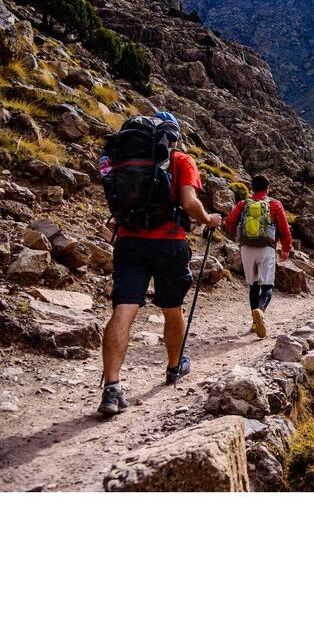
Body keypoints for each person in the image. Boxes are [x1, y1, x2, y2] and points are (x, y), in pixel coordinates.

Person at [98, 111, 222, 416]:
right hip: (169, 243)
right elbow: (190, 203)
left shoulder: (121, 157)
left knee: (124, 309)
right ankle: (174, 366)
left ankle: (112, 388)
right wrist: (209, 219)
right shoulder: (180, 160)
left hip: (129, 241)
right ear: (173, 136)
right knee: (171, 308)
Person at [225, 175, 292, 338]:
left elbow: (230, 221)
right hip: (266, 248)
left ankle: (255, 324)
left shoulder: (243, 204)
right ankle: (260, 312)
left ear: (252, 188)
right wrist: (285, 248)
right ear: (267, 188)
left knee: (253, 285)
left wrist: (238, 236)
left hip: (246, 248)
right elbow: (284, 227)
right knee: (267, 286)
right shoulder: (274, 204)